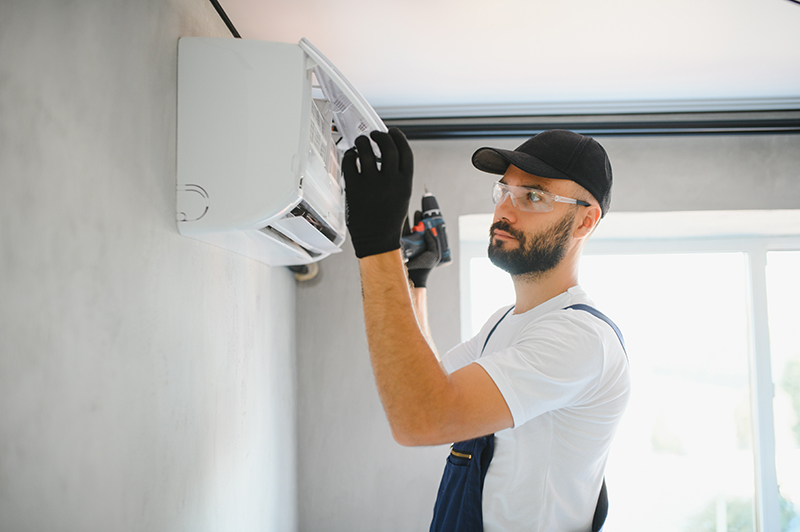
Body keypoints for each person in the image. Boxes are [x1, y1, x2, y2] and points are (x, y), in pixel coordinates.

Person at [342, 128, 631, 532]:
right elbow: (427, 385)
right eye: (504, 191)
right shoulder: (505, 322)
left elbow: (421, 419)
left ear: (585, 221)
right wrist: (416, 278)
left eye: (533, 196)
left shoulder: (579, 338)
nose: (504, 212)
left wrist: (378, 244)